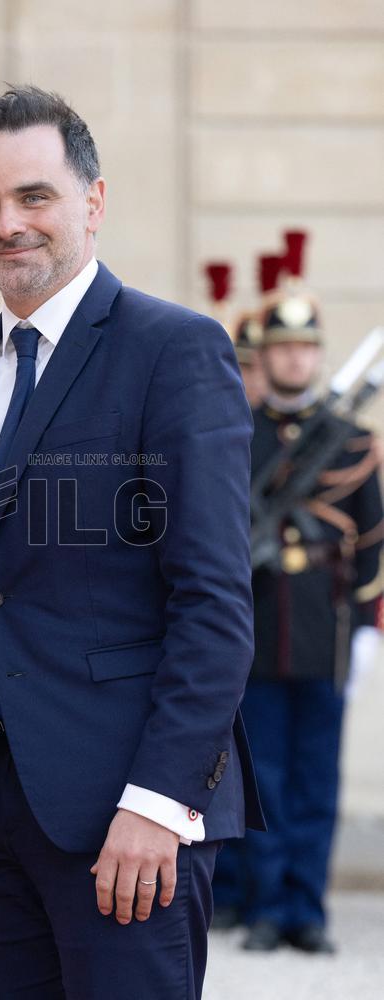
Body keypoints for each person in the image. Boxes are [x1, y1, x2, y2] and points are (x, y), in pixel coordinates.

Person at [0, 85, 264, 999]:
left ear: (93, 201)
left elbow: (214, 604)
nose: (7, 224)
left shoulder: (174, 350)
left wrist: (160, 802)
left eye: (34, 196)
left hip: (126, 812)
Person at [217, 264, 383, 953]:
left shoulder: (350, 441)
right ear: (266, 357)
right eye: (282, 348)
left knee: (316, 777)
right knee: (263, 778)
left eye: (304, 348)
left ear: (317, 355)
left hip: (324, 630)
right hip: (254, 627)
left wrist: (367, 628)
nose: (293, 359)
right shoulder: (236, 434)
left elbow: (371, 541)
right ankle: (264, 908)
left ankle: (307, 910)